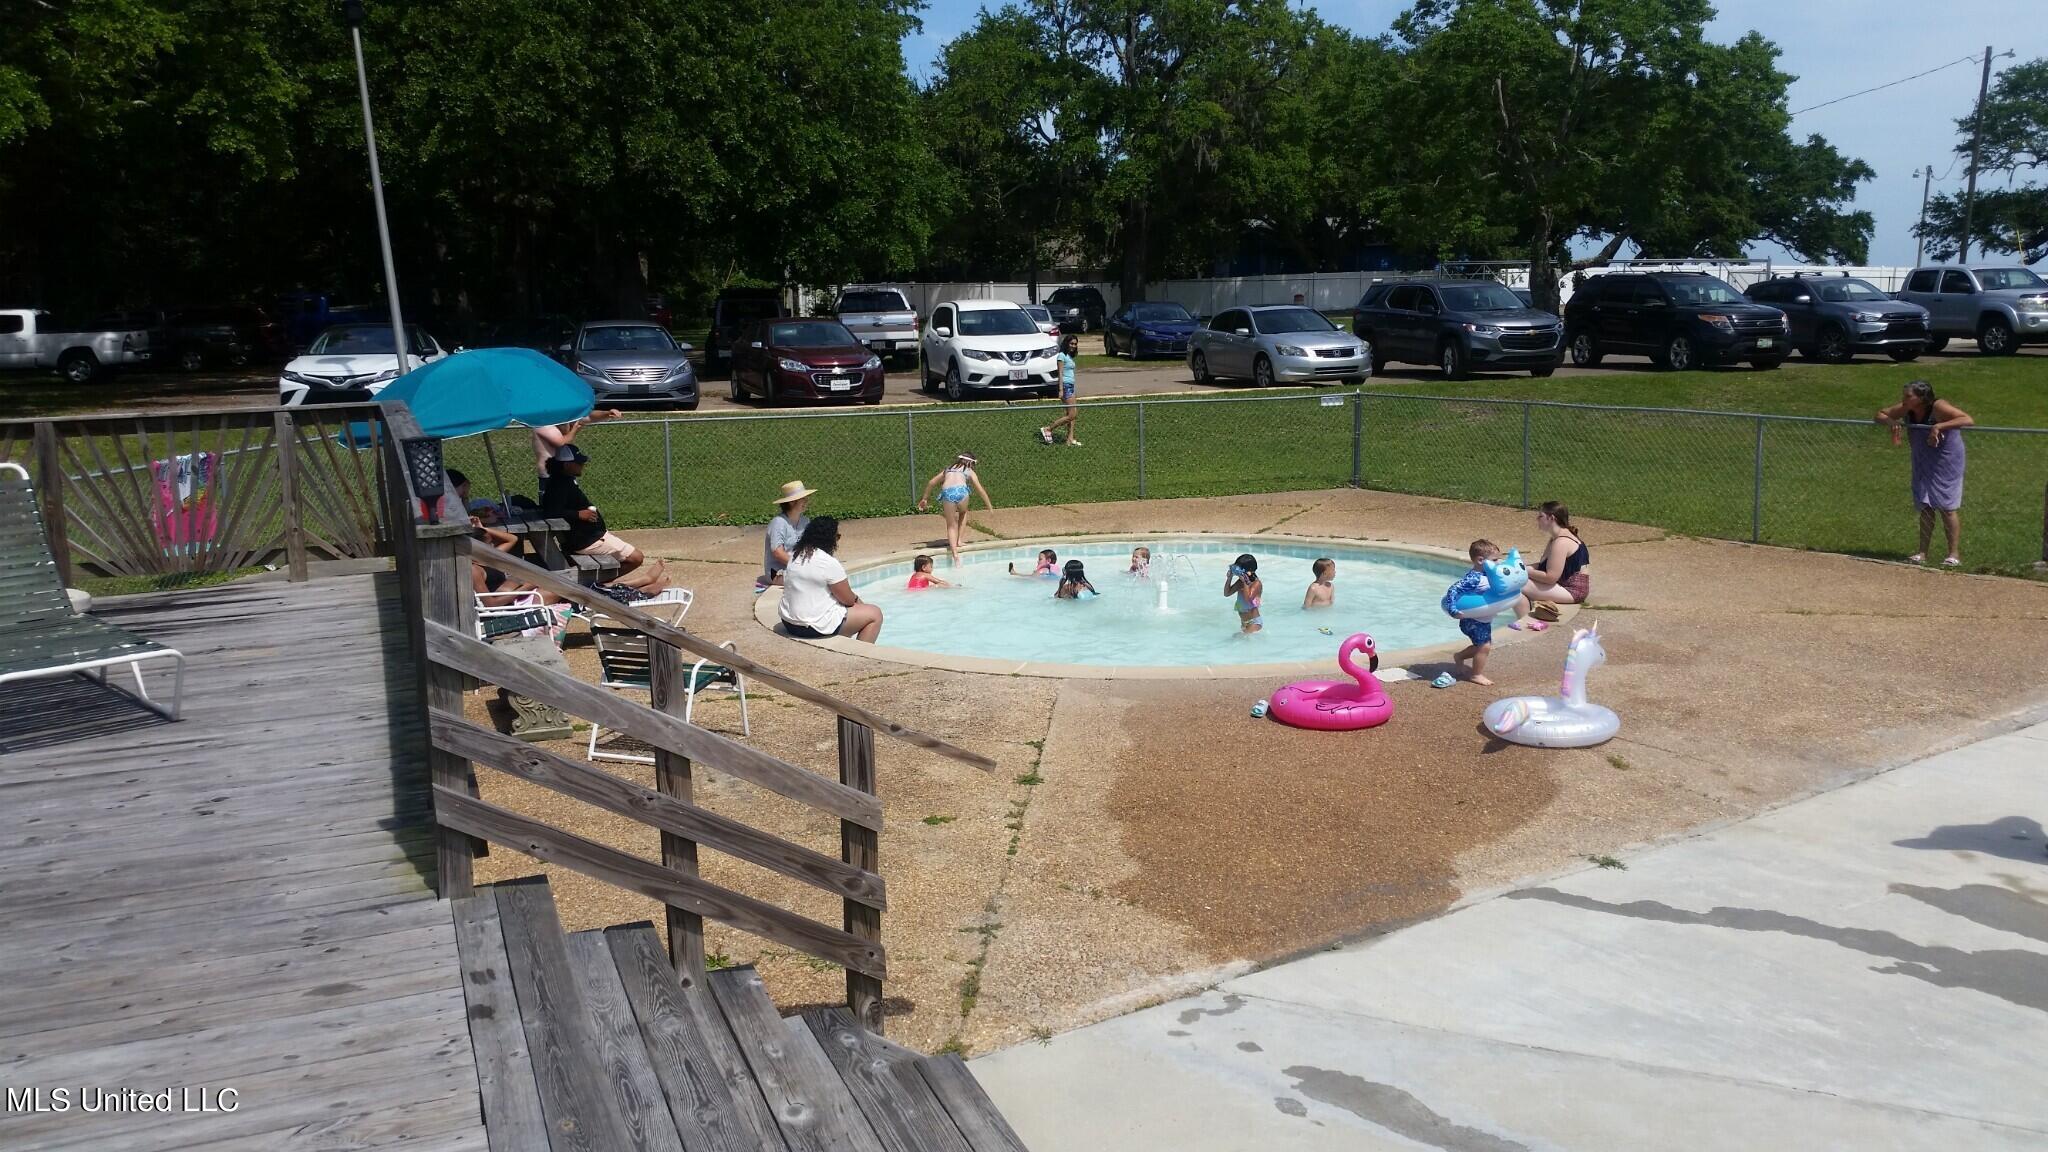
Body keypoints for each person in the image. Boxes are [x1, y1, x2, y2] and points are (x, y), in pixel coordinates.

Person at [540, 447, 670, 590]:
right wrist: (578, 514)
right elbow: (551, 512)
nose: (583, 465)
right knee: (636, 558)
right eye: (579, 462)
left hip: (588, 537)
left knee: (632, 556)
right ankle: (602, 585)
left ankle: (602, 584)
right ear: (566, 465)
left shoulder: (562, 480)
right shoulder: (560, 484)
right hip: (587, 541)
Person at [1876, 380, 1974, 566]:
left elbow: (1967, 420)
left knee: (1947, 507)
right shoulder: (1907, 408)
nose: (1903, 399)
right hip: (1922, 459)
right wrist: (1891, 421)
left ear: (1921, 398)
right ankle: (1922, 553)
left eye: (1908, 396)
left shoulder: (1938, 406)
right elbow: (1879, 415)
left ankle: (1953, 555)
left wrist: (1939, 426)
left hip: (1946, 460)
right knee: (1926, 506)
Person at [779, 516, 883, 642]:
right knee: (875, 614)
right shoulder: (827, 562)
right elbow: (848, 599)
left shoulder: (795, 556)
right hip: (812, 627)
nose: (837, 541)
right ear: (829, 539)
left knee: (840, 608)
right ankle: (859, 656)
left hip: (789, 623)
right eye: (837, 537)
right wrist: (859, 601)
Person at [917, 453, 994, 565]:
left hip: (948, 492)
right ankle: (959, 541)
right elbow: (980, 490)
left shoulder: (947, 470)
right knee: (963, 512)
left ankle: (955, 555)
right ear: (970, 463)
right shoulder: (969, 471)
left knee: (951, 525)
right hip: (961, 491)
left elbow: (931, 482)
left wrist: (925, 499)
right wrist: (989, 506)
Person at [1516, 500, 1585, 624]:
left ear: (1551, 518)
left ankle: (1525, 623)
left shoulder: (1561, 542)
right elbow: (1543, 565)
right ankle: (1524, 620)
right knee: (1514, 579)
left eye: (1540, 516)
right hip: (1564, 585)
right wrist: (1520, 568)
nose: (1537, 519)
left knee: (1516, 583)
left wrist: (1522, 571)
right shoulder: (1555, 538)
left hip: (1572, 591)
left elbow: (1550, 577)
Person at [1442, 540, 1500, 686]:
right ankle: (1476, 675)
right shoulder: (1474, 578)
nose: (1498, 562)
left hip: (1483, 620)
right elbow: (1453, 590)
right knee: (1484, 646)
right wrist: (1452, 609)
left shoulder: (1488, 575)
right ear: (1481, 560)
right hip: (1472, 621)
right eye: (1494, 560)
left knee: (1479, 646)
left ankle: (1459, 656)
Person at [531, 410, 622, 495]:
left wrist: (607, 413)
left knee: (574, 507)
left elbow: (588, 417)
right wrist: (575, 429)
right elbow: (561, 442)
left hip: (566, 472)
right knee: (555, 510)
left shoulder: (563, 417)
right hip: (550, 475)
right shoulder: (543, 424)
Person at [760, 481, 815, 591]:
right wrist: (800, 566)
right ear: (792, 502)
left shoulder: (805, 521)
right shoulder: (778, 523)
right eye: (802, 499)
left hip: (798, 567)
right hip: (776, 572)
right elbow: (778, 553)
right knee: (811, 581)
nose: (806, 502)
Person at [1041, 334, 1083, 446]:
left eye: (1075, 344)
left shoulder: (1069, 356)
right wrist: (1060, 389)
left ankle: (1070, 439)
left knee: (1073, 413)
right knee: (1072, 415)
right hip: (1065, 386)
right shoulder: (1061, 356)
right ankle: (1048, 429)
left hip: (1070, 386)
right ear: (1066, 343)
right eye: (1071, 343)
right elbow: (1059, 373)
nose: (1073, 346)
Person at [1224, 553, 1263, 634]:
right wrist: (1229, 578)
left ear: (1249, 571)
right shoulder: (1240, 582)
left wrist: (1245, 582)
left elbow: (1248, 599)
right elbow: (1227, 593)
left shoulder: (1256, 584)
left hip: (1254, 623)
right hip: (1244, 623)